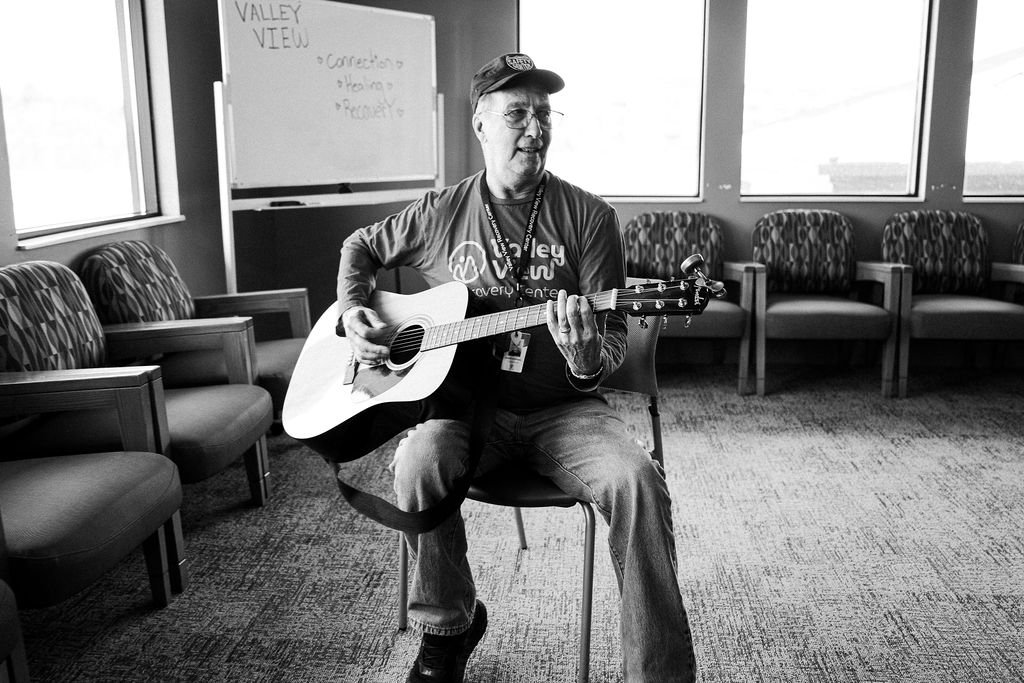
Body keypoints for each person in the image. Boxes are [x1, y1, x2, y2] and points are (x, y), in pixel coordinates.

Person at [337, 53, 696, 683]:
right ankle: (448, 628)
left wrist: (586, 359)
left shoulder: (590, 217)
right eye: (516, 113)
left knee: (637, 480)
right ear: (480, 124)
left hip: (566, 411)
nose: (535, 128)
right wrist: (353, 309)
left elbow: (610, 340)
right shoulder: (440, 212)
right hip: (466, 408)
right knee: (419, 461)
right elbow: (360, 247)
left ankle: (660, 674)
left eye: (544, 113)